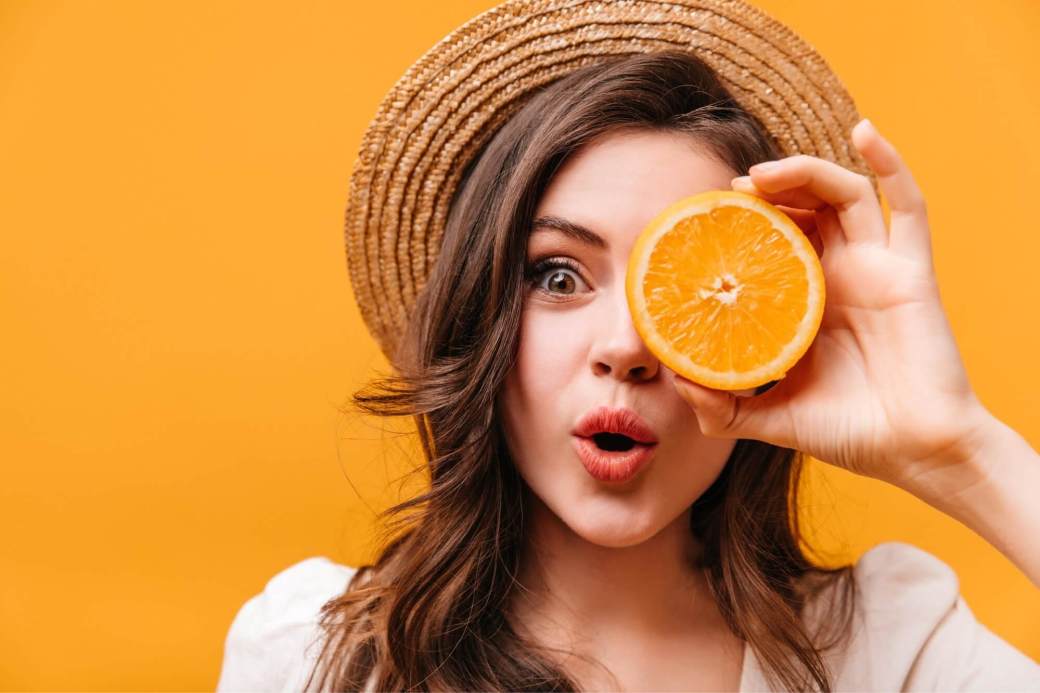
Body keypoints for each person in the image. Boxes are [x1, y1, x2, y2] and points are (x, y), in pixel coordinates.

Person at [216, 1, 1040, 690]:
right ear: (481, 309)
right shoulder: (310, 654)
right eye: (558, 275)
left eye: (686, 290)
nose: (626, 347)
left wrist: (960, 452)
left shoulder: (891, 653)